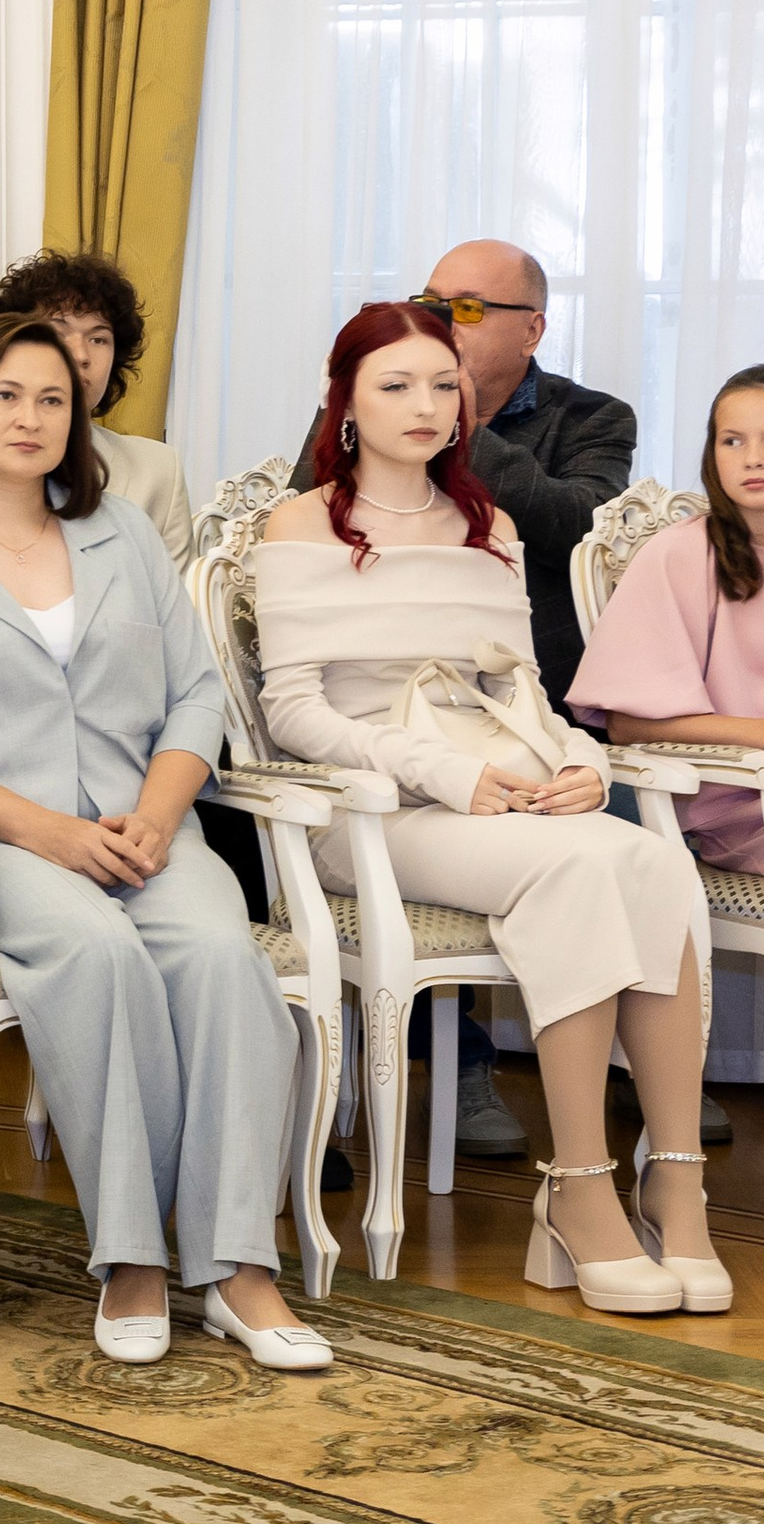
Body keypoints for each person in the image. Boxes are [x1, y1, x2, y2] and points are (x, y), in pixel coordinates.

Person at [0, 312, 328, 1369]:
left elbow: (197, 697)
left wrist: (159, 813)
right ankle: (135, 1258)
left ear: (79, 419)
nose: (29, 417)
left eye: (52, 399)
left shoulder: (125, 539)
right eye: (5, 395)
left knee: (220, 957)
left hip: (139, 825)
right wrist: (47, 832)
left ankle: (237, 1266)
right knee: (98, 957)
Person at [256, 302, 723, 1315]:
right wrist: (441, 773)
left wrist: (579, 762)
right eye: (394, 386)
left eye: (440, 385)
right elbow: (292, 711)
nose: (423, 406)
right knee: (577, 866)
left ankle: (674, 1183)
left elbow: (523, 689)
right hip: (372, 808)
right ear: (344, 403)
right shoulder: (299, 524)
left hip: (502, 783)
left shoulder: (491, 525)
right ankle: (581, 1192)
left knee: (648, 860)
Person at [292, 241, 650, 1158]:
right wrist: (430, 406)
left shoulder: (592, 416)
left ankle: (651, 1081)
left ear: (532, 330)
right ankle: (456, 1061)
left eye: (467, 311)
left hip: (532, 698)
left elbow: (573, 528)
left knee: (643, 853)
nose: (442, 327)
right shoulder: (369, 414)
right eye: (430, 302)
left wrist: (461, 430)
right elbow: (312, 564)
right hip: (382, 730)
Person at [570, 365, 764, 873]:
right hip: (734, 803)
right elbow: (628, 723)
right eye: (732, 440)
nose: (753, 459)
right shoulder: (680, 553)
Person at [0, 251, 194, 567]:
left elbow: (177, 606)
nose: (81, 355)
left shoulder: (158, 470)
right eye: (59, 333)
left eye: (99, 339)